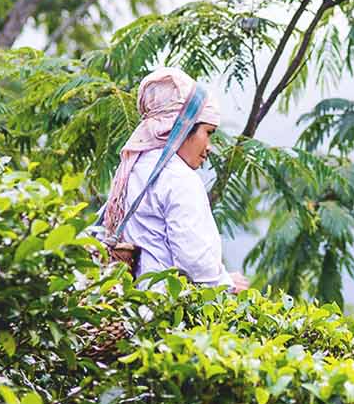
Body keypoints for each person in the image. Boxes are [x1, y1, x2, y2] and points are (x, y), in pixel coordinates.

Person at [99, 67, 248, 289]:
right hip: (165, 305)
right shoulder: (179, 178)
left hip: (130, 301)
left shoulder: (132, 168)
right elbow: (197, 265)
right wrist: (227, 284)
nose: (209, 147)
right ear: (182, 127)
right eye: (208, 132)